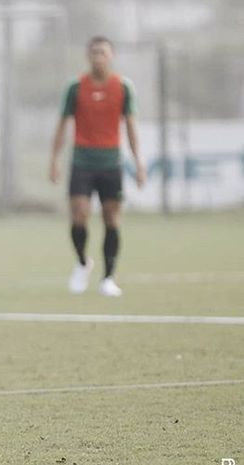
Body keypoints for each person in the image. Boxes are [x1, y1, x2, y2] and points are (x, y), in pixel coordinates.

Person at [49, 36, 146, 297]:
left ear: (111, 56)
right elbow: (62, 125)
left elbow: (131, 127)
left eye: (102, 52)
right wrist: (54, 160)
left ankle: (108, 278)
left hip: (110, 162)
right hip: (82, 162)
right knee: (79, 215)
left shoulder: (123, 87)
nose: (98, 57)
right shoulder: (75, 87)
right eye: (93, 52)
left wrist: (139, 163)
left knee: (111, 218)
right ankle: (82, 263)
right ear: (87, 56)